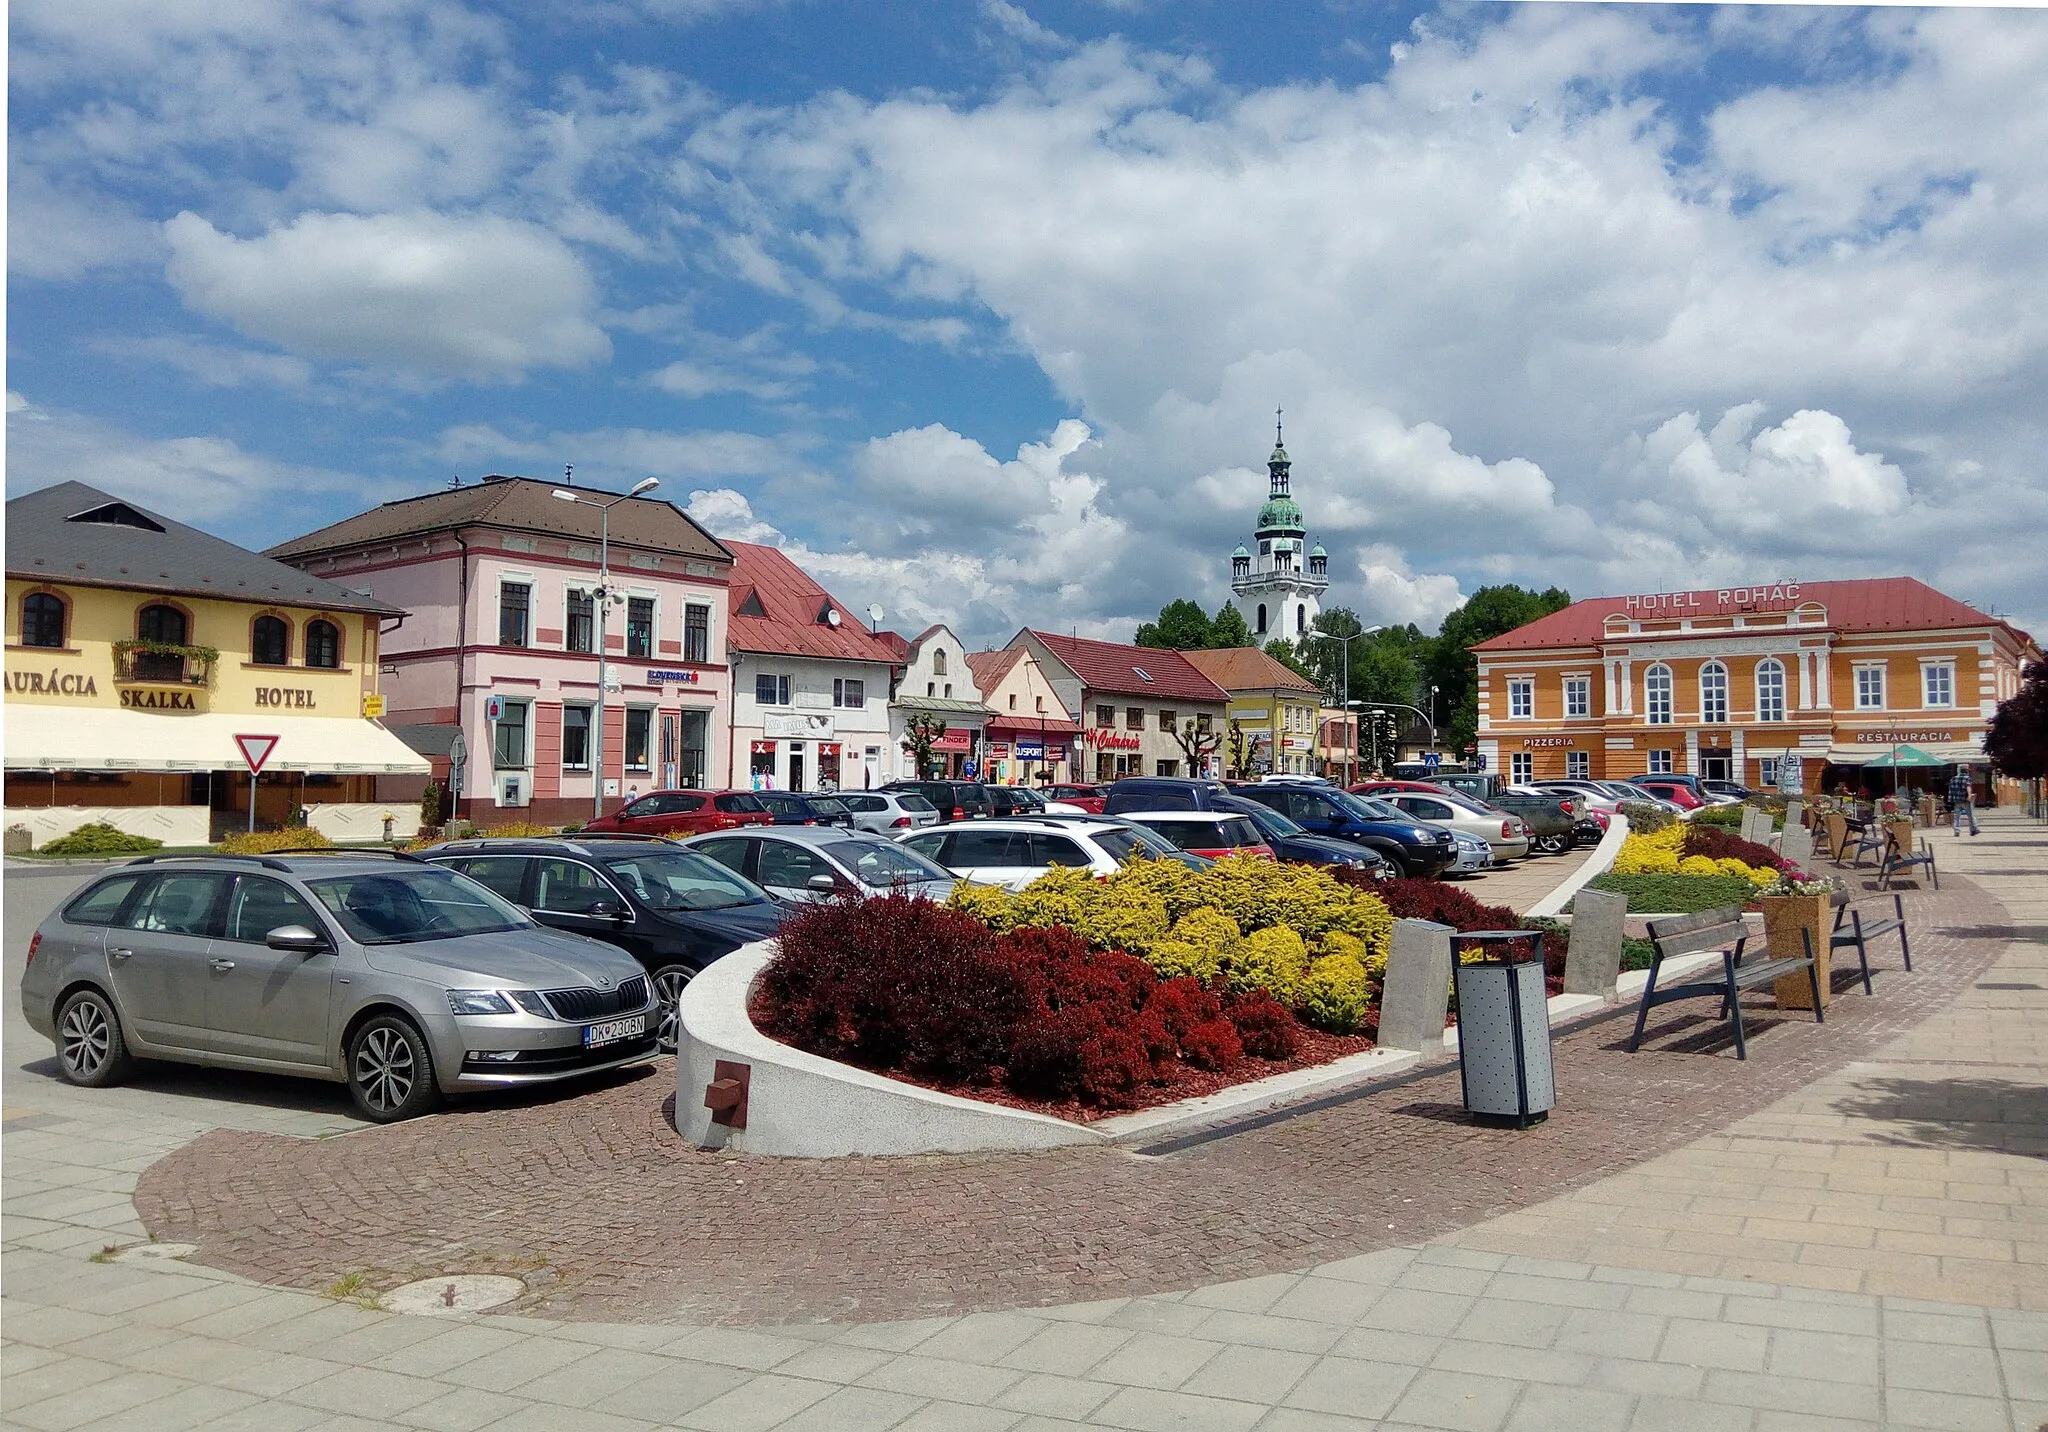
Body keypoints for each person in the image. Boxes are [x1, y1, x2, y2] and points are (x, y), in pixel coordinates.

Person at [1947, 768, 1979, 837]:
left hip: (1956, 800)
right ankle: (1973, 829)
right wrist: (1970, 795)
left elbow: (1950, 789)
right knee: (1970, 816)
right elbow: (1968, 786)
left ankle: (1956, 831)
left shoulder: (1953, 778)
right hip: (1965, 800)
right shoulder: (1967, 778)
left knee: (1957, 817)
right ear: (1967, 772)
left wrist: (1951, 799)